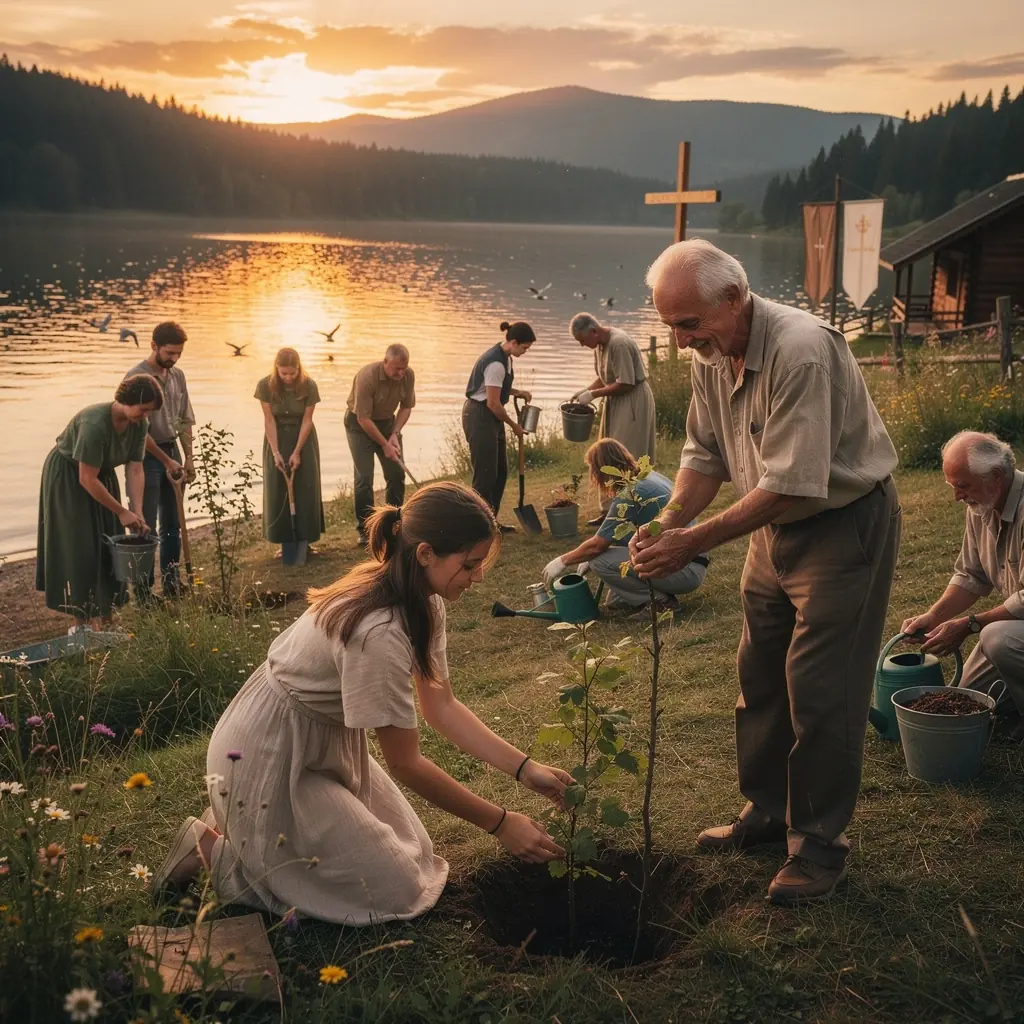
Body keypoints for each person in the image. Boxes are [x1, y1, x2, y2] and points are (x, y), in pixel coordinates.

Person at [153, 482, 570, 923]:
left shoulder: (422, 601)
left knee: (413, 853)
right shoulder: (378, 632)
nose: (479, 577)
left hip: (321, 741)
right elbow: (406, 764)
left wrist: (526, 769)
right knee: (392, 890)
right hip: (267, 749)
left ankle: (253, 824)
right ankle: (214, 850)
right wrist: (501, 823)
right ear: (425, 553)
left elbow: (441, 706)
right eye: (469, 564)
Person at [630, 239, 900, 905]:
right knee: (760, 675)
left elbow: (795, 485)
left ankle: (817, 846)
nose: (679, 338)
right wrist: (668, 523)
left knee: (822, 691)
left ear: (734, 299)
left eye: (689, 323)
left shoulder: (801, 350)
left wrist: (695, 541)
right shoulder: (712, 351)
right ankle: (766, 811)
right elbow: (704, 455)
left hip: (840, 525)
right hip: (768, 529)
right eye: (669, 325)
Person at [901, 431, 1024, 740]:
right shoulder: (981, 506)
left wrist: (970, 624)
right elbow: (971, 576)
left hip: (1013, 629)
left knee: (997, 636)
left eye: (963, 486)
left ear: (996, 476)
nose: (957, 497)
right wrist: (934, 617)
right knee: (965, 697)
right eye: (953, 486)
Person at [36, 375, 161, 631]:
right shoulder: (95, 423)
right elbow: (86, 477)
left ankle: (105, 619)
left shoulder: (139, 425)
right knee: (80, 546)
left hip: (101, 477)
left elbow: (136, 469)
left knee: (108, 543)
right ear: (127, 399)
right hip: (70, 479)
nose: (146, 415)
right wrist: (120, 510)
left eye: (150, 411)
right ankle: (81, 624)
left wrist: (135, 511)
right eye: (144, 408)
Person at [542, 439, 708, 611]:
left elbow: (597, 545)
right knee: (615, 601)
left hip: (684, 569)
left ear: (601, 469)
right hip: (693, 560)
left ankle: (662, 603)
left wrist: (562, 561)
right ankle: (648, 597)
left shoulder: (630, 492)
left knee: (598, 561)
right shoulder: (649, 476)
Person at [125, 321, 195, 597]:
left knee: (173, 523)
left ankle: (171, 583)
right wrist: (166, 461)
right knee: (145, 524)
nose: (174, 359)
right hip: (144, 457)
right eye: (169, 353)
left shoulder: (177, 376)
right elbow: (138, 431)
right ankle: (143, 593)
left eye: (178, 353)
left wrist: (188, 457)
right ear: (154, 346)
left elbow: (185, 420)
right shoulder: (136, 378)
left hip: (173, 451)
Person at [569, 313, 658, 526]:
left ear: (593, 331)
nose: (582, 345)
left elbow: (626, 382)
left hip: (632, 401)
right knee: (605, 452)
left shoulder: (619, 344)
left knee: (626, 453)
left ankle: (632, 510)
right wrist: (586, 390)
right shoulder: (599, 345)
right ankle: (609, 510)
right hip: (614, 401)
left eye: (582, 341)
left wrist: (594, 395)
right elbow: (605, 376)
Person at [462, 320, 536, 530]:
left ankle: (491, 522)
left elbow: (494, 389)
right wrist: (514, 425)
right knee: (485, 475)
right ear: (513, 342)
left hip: (491, 416)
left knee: (500, 472)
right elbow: (493, 403)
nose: (525, 351)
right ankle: (476, 527)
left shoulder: (506, 358)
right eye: (524, 347)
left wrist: (517, 392)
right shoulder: (495, 363)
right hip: (479, 416)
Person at [255, 348, 325, 558]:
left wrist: (297, 451)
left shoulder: (309, 386)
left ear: (298, 368)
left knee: (306, 487)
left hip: (303, 439)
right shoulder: (265, 385)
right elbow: (268, 420)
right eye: (283, 373)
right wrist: (276, 452)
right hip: (276, 438)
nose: (287, 377)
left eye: (292, 373)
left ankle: (306, 542)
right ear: (277, 368)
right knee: (279, 489)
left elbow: (307, 420)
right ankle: (285, 542)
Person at [345, 344, 416, 546]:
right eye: (396, 369)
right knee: (364, 477)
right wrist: (385, 444)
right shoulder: (367, 377)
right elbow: (363, 419)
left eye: (404, 368)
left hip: (387, 423)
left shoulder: (408, 376)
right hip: (359, 426)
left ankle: (392, 524)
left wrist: (395, 433)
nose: (401, 373)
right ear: (385, 362)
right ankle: (366, 530)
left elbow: (406, 407)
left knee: (396, 473)